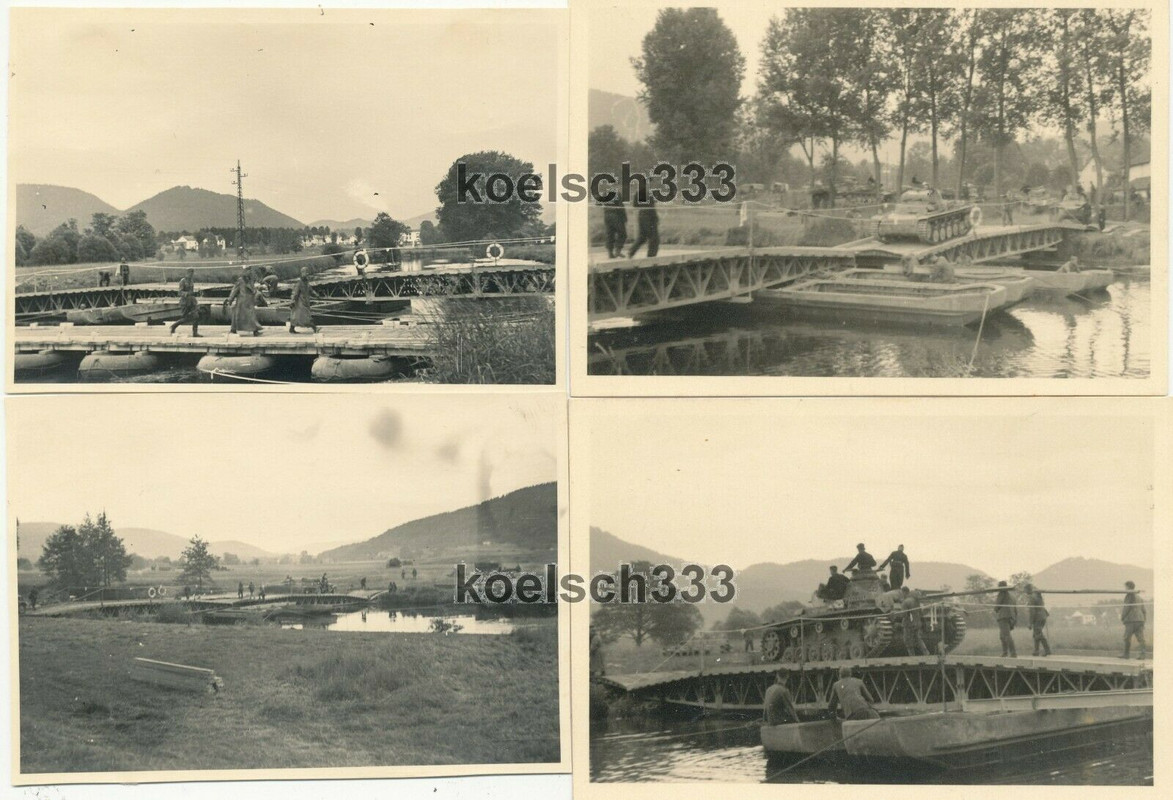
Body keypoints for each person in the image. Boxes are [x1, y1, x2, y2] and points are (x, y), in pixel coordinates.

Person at [224, 268, 262, 335]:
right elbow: (235, 290)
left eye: (251, 272)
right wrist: (230, 299)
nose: (251, 273)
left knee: (251, 316)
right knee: (238, 316)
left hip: (249, 301)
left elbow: (253, 290)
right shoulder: (240, 280)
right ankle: (234, 329)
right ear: (245, 272)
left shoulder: (250, 281)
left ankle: (255, 331)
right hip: (242, 302)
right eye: (249, 272)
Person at [170, 268, 201, 336]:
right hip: (185, 302)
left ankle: (195, 333)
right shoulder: (182, 281)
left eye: (192, 273)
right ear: (187, 273)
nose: (191, 275)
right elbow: (180, 292)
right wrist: (187, 293)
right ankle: (174, 326)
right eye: (190, 273)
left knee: (196, 316)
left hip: (192, 301)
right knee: (185, 318)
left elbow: (191, 291)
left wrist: (194, 293)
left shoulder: (191, 281)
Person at [900, 587, 930, 656]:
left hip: (908, 624)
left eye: (902, 593)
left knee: (907, 640)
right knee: (918, 639)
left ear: (904, 592)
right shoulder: (916, 601)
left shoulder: (905, 602)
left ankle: (912, 656)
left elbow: (904, 614)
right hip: (917, 622)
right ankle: (926, 653)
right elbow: (920, 612)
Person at [288, 267, 319, 334]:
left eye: (308, 272)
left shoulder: (306, 282)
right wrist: (292, 301)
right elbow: (295, 293)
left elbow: (310, 290)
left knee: (296, 317)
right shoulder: (299, 283)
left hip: (305, 301)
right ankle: (314, 327)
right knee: (305, 316)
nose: (307, 274)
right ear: (302, 273)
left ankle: (291, 329)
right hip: (299, 303)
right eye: (306, 272)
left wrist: (316, 295)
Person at [1122, 581, 1147, 659]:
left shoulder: (1129, 596)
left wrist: (1122, 617)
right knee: (1141, 638)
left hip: (1131, 620)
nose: (1125, 589)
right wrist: (1144, 620)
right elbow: (1144, 610)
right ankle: (1142, 655)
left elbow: (1126, 608)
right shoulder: (1139, 597)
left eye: (1125, 587)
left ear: (1128, 587)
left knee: (1127, 637)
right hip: (1140, 620)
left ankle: (1126, 654)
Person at [1025, 583, 1051, 656]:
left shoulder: (1032, 597)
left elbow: (1032, 611)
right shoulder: (1038, 596)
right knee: (1036, 633)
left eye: (1025, 590)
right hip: (1043, 616)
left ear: (1028, 590)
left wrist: (1030, 623)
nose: (1025, 592)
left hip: (1038, 617)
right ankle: (1036, 651)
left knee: (1038, 634)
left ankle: (1047, 650)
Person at [995, 581, 1018, 657]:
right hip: (1011, 617)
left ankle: (1013, 653)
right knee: (1002, 636)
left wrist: (995, 609)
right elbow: (1015, 609)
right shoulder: (1012, 596)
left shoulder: (1002, 594)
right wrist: (1015, 619)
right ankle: (1005, 652)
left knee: (1006, 635)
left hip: (1003, 617)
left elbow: (996, 606)